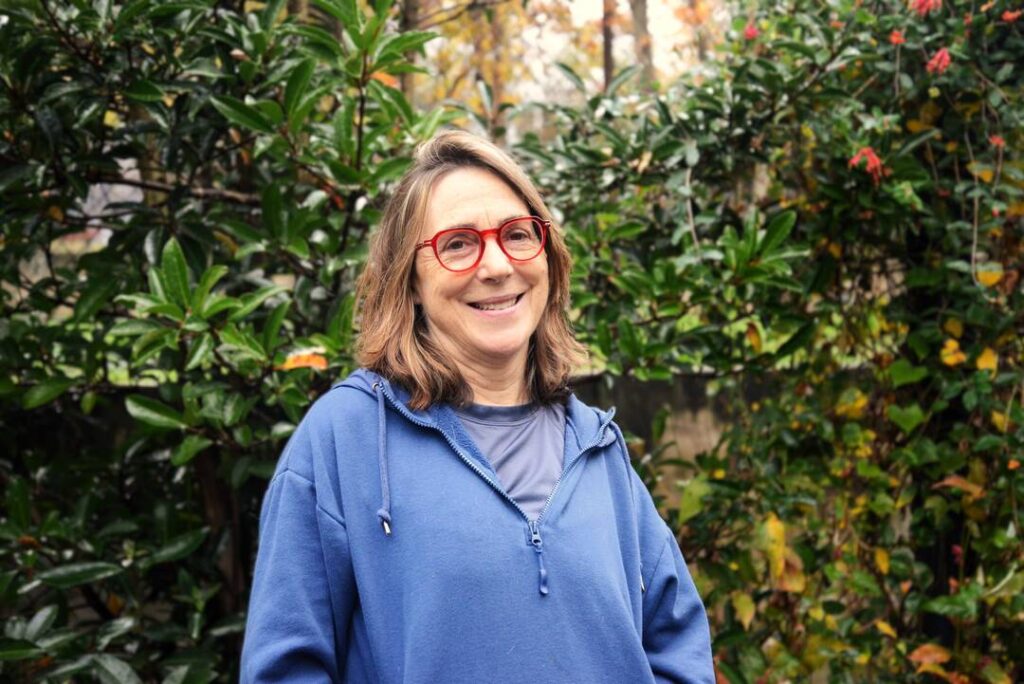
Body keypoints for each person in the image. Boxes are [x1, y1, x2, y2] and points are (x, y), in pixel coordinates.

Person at [240, 130, 714, 683]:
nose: (496, 266)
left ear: (548, 258)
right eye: (458, 243)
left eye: (517, 235)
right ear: (410, 280)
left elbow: (677, 645)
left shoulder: (596, 445)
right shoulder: (343, 440)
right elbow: (285, 668)